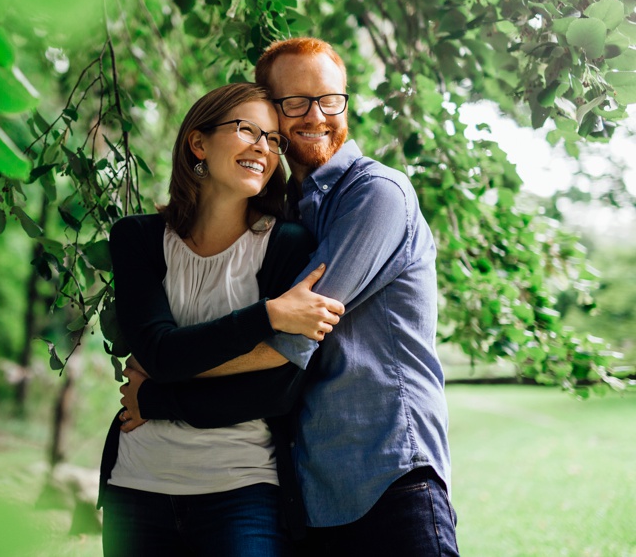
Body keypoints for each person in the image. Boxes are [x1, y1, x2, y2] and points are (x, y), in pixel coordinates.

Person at [120, 37, 459, 557]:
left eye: (330, 99)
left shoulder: (375, 195)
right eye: (294, 103)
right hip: (314, 492)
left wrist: (159, 390)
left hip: (390, 472)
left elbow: (289, 344)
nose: (315, 115)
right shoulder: (288, 216)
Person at [98, 82, 345, 557]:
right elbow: (160, 353)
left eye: (273, 139)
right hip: (137, 486)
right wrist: (269, 315)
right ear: (198, 143)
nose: (263, 148)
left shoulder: (287, 245)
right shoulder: (138, 239)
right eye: (247, 130)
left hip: (243, 491)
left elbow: (276, 389)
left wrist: (155, 399)